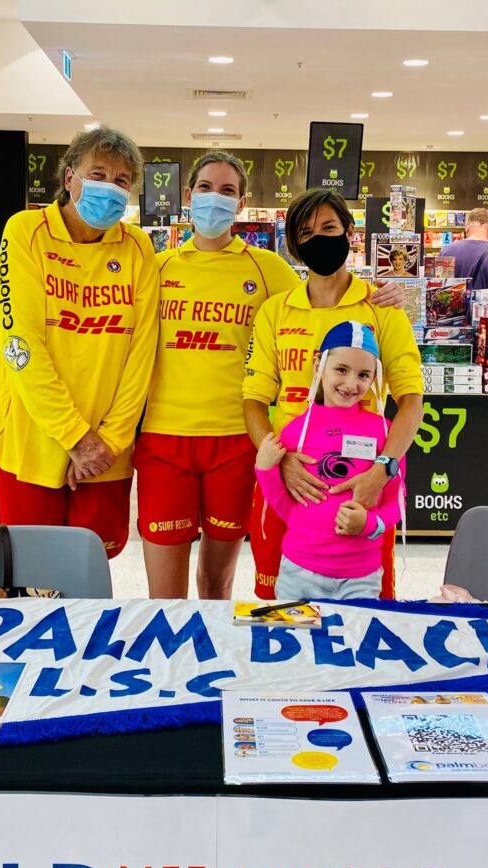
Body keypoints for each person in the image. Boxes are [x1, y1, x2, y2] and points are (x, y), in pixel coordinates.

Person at [136, 153, 410, 599]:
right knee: (176, 592)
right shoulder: (157, 267)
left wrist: (388, 291)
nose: (214, 200)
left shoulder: (270, 270)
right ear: (187, 196)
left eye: (227, 191)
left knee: (227, 583)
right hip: (176, 440)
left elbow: (329, 287)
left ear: (241, 203)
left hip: (243, 446)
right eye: (205, 188)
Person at [0, 125, 159, 559]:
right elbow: (18, 343)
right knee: (25, 572)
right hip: (33, 441)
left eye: (121, 181)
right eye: (98, 173)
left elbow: (142, 355)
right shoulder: (26, 231)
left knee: (90, 569)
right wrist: (76, 438)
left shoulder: (138, 247)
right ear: (69, 178)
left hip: (106, 453)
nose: (110, 187)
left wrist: (109, 442)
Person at [243, 186, 423, 600]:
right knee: (281, 610)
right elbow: (254, 399)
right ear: (294, 245)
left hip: (362, 488)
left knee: (367, 611)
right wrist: (280, 462)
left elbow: (411, 401)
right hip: (291, 483)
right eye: (306, 233)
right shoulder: (275, 311)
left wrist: (383, 470)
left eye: (329, 227)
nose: (319, 239)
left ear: (349, 232)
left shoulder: (382, 308)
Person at [254, 322, 403, 600]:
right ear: (318, 366)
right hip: (299, 573)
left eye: (363, 374)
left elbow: (397, 503)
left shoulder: (383, 432)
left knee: (355, 643)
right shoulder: (296, 432)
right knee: (297, 643)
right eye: (341, 370)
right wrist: (265, 469)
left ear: (374, 379)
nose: (350, 384)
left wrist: (370, 525)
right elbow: (286, 507)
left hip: (361, 578)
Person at [438, 208, 488, 301]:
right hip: (487, 314)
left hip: (453, 314)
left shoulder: (446, 251)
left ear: (466, 227)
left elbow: (439, 291)